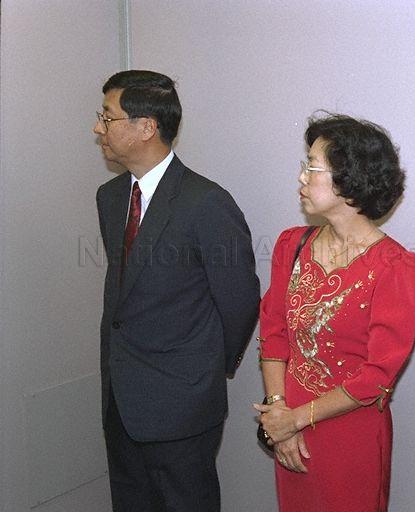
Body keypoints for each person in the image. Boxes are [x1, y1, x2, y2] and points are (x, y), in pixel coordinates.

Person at [94, 70, 260, 512]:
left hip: (183, 405)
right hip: (120, 402)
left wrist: (202, 368)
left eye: (107, 117)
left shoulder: (206, 203)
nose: (98, 128)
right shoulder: (110, 198)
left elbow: (240, 301)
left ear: (145, 126)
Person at [254, 113, 415, 511]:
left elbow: (378, 376)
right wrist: (280, 413)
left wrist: (297, 419)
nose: (301, 177)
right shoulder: (290, 245)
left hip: (350, 436)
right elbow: (274, 331)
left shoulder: (396, 266)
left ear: (351, 180)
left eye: (312, 167)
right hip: (287, 428)